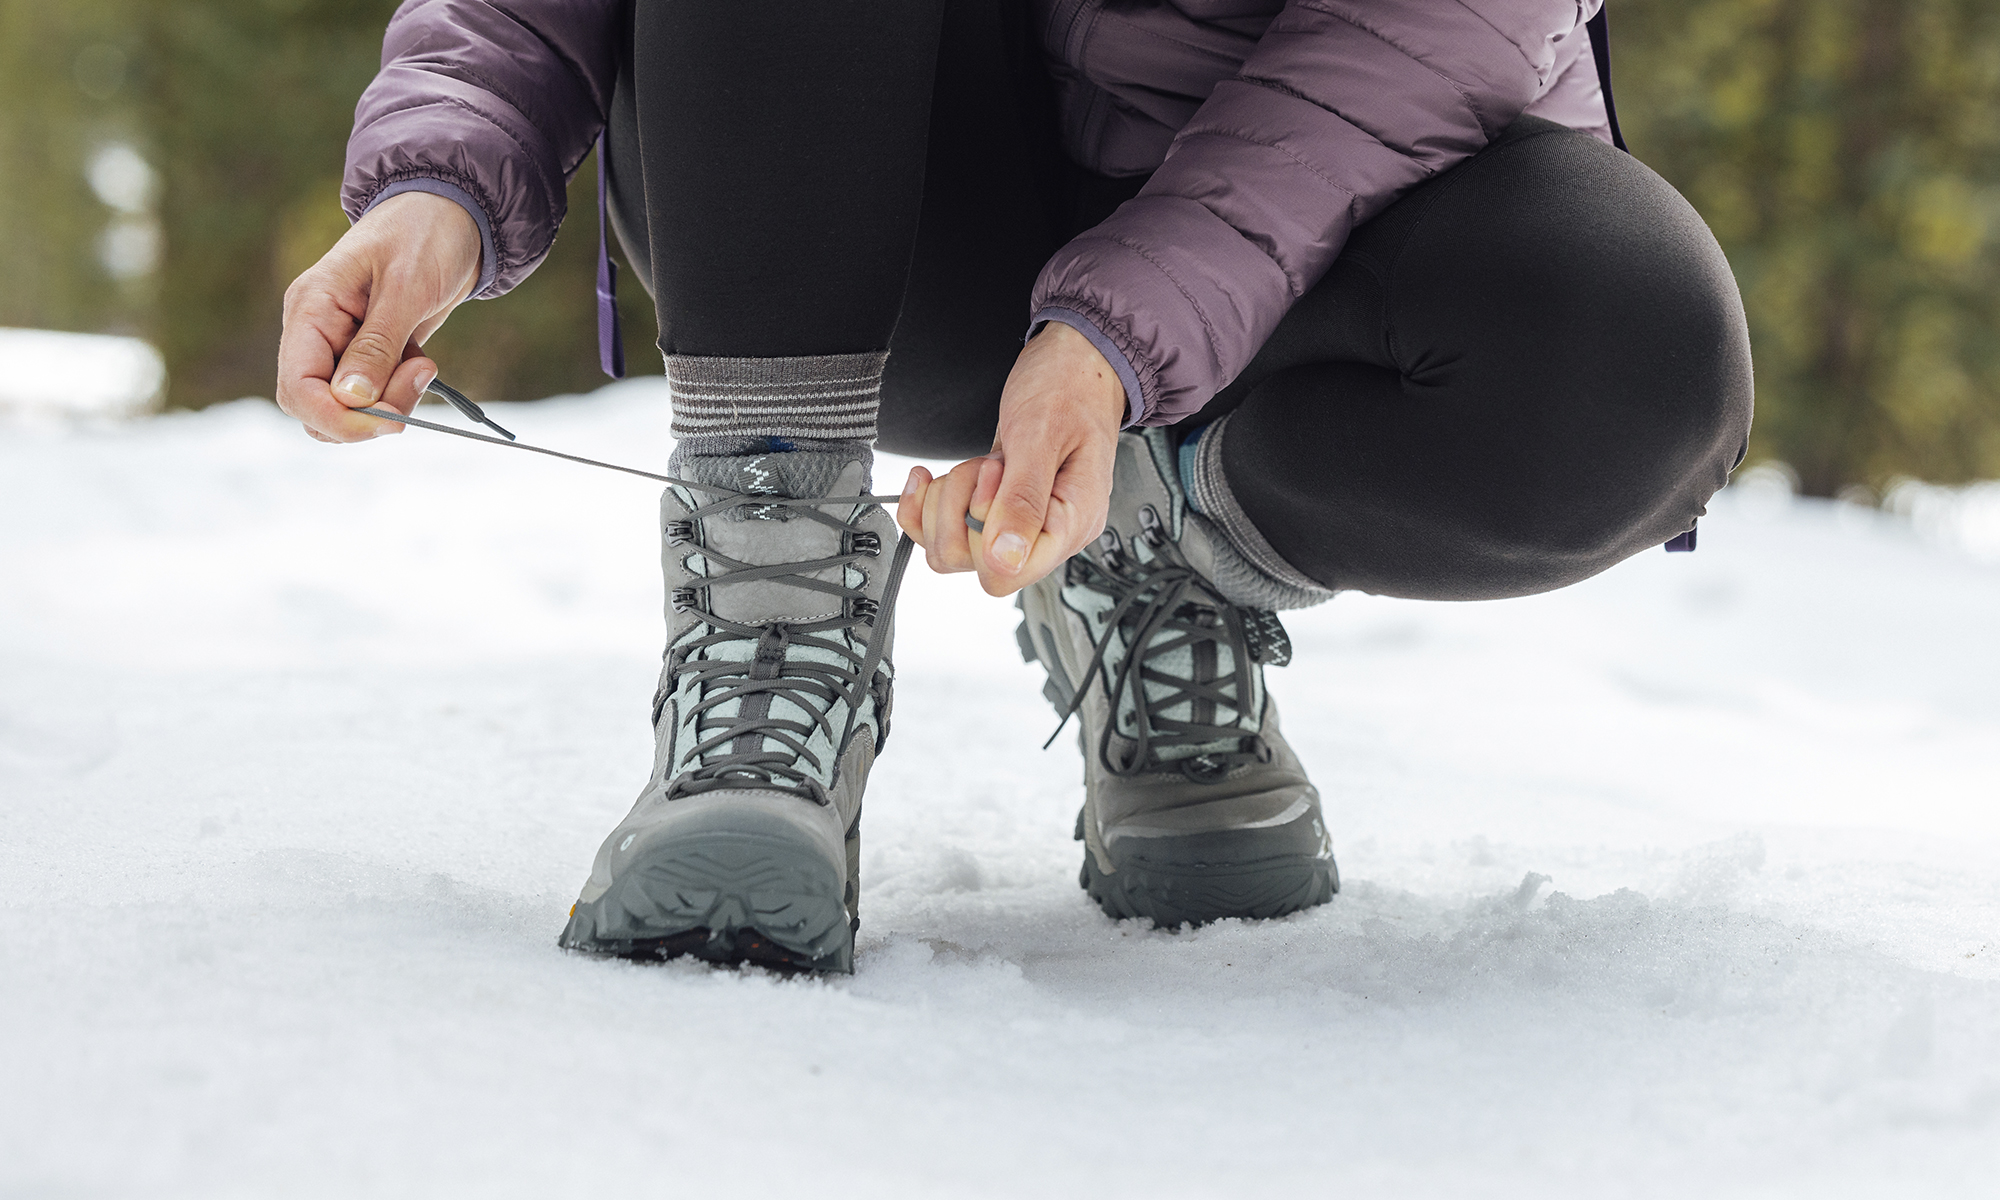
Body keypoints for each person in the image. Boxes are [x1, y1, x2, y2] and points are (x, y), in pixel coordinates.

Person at [275, 0, 1752, 973]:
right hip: (880, 203)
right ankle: (770, 589)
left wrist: (1115, 344)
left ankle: (1167, 548)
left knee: (1632, 359)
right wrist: (445, 177)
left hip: (1341, 227)